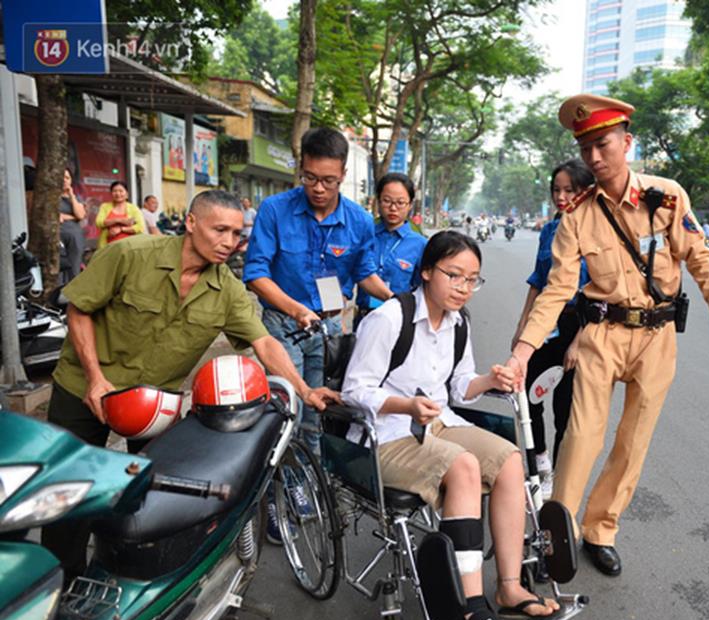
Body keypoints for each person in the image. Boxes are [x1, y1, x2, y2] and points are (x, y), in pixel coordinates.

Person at [505, 94, 709, 577]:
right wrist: (521, 352)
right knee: (581, 437)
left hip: (657, 337)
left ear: (626, 143)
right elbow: (556, 292)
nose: (594, 157)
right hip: (600, 333)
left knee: (633, 441)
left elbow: (701, 260)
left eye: (603, 144)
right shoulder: (576, 216)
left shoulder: (667, 197)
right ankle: (559, 535)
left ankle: (601, 529)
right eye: (585, 148)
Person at [43, 189, 338, 581]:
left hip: (150, 407)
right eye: (220, 230)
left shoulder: (228, 291)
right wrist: (96, 379)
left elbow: (264, 342)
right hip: (83, 388)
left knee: (146, 497)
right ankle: (58, 587)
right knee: (66, 496)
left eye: (236, 234)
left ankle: (121, 580)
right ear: (191, 223)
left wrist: (303, 390)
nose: (229, 243)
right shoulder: (130, 254)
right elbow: (79, 308)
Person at [343, 231, 559, 620]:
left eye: (472, 279)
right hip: (385, 435)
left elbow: (459, 387)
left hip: (438, 422)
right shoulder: (390, 318)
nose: (463, 288)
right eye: (454, 275)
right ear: (426, 271)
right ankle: (468, 605)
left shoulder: (459, 323)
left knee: (510, 458)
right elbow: (354, 390)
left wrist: (490, 380)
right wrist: (405, 406)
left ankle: (509, 587)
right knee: (464, 465)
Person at [243, 127, 392, 454]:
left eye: (329, 180)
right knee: (289, 409)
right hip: (283, 324)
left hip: (328, 329)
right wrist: (295, 309)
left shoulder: (359, 221)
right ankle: (282, 482)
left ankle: (314, 480)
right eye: (310, 178)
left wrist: (396, 301)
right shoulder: (274, 210)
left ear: (343, 174)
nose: (319, 189)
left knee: (318, 411)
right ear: (301, 168)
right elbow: (255, 273)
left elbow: (364, 272)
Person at [510, 159, 594, 497]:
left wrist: (578, 342)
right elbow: (537, 280)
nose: (561, 197)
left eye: (569, 190)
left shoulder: (596, 232)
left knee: (565, 408)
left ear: (584, 192)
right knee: (527, 392)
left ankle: (558, 479)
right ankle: (540, 460)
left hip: (580, 324)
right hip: (546, 320)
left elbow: (600, 295)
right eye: (556, 190)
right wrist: (523, 327)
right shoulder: (548, 230)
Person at [355, 173, 428, 323]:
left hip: (399, 321)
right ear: (378, 201)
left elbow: (423, 289)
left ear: (410, 205)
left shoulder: (420, 244)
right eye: (387, 201)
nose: (393, 208)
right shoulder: (365, 235)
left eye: (400, 202)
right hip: (364, 318)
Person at [94, 180, 146, 248]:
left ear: (127, 194)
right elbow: (98, 223)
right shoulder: (105, 206)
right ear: (111, 193)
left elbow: (140, 227)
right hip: (107, 248)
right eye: (115, 191)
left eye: (121, 191)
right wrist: (118, 220)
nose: (118, 194)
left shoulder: (133, 208)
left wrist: (121, 229)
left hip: (129, 247)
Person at [59, 169, 87, 280]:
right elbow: (55, 217)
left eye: (67, 178)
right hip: (58, 235)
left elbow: (80, 215)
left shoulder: (76, 198)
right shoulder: (51, 197)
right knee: (59, 267)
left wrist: (71, 195)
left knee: (74, 267)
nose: (64, 180)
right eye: (62, 177)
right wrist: (73, 217)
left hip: (75, 237)